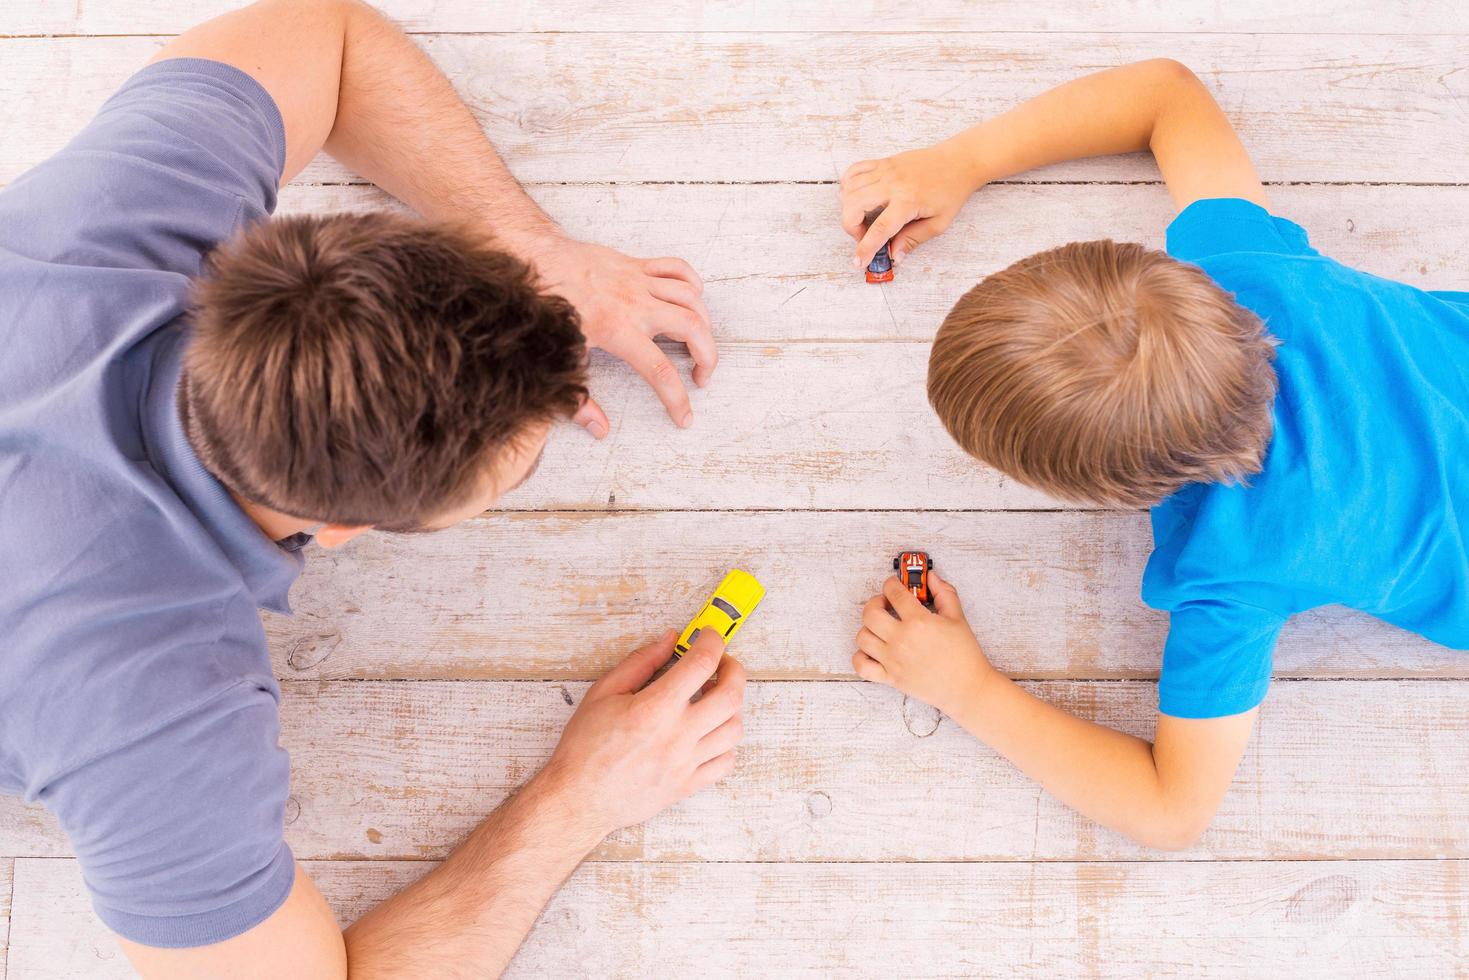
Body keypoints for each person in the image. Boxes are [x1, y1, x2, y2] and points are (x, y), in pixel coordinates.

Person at [0, 0, 746, 974]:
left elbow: (327, 36)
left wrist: (535, 249)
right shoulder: (149, 716)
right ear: (345, 526)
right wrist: (579, 795)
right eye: (517, 464)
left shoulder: (123, 211)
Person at [840, 59, 1469, 850]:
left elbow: (1171, 810)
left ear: (1111, 492)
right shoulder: (1248, 271)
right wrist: (959, 161)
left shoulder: (1235, 563)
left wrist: (965, 688)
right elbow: (1165, 93)